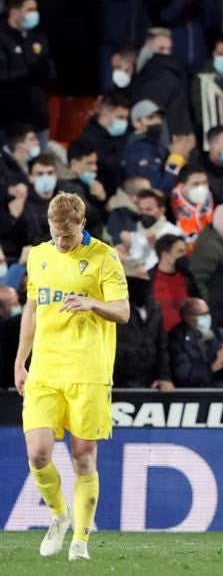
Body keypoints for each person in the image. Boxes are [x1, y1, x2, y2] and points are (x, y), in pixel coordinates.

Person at [13, 193, 129, 561]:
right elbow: (32, 308)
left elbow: (123, 312)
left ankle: (80, 540)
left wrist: (93, 303)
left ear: (82, 224)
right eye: (56, 234)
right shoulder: (39, 255)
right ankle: (59, 515)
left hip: (88, 371)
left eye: (69, 235)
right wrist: (20, 361)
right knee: (38, 454)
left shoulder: (104, 258)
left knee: (83, 459)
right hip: (46, 370)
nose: (62, 242)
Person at [0, 0, 53, 138]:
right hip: (7, 120)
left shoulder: (38, 37)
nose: (34, 14)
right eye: (29, 10)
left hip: (37, 117)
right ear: (14, 11)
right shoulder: (2, 37)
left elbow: (50, 72)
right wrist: (29, 72)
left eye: (35, 9)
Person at [168, 297, 223, 387]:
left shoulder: (220, 334)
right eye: (201, 315)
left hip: (222, 389)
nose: (206, 318)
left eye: (207, 313)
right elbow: (183, 374)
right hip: (192, 394)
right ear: (187, 317)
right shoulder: (176, 339)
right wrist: (211, 368)